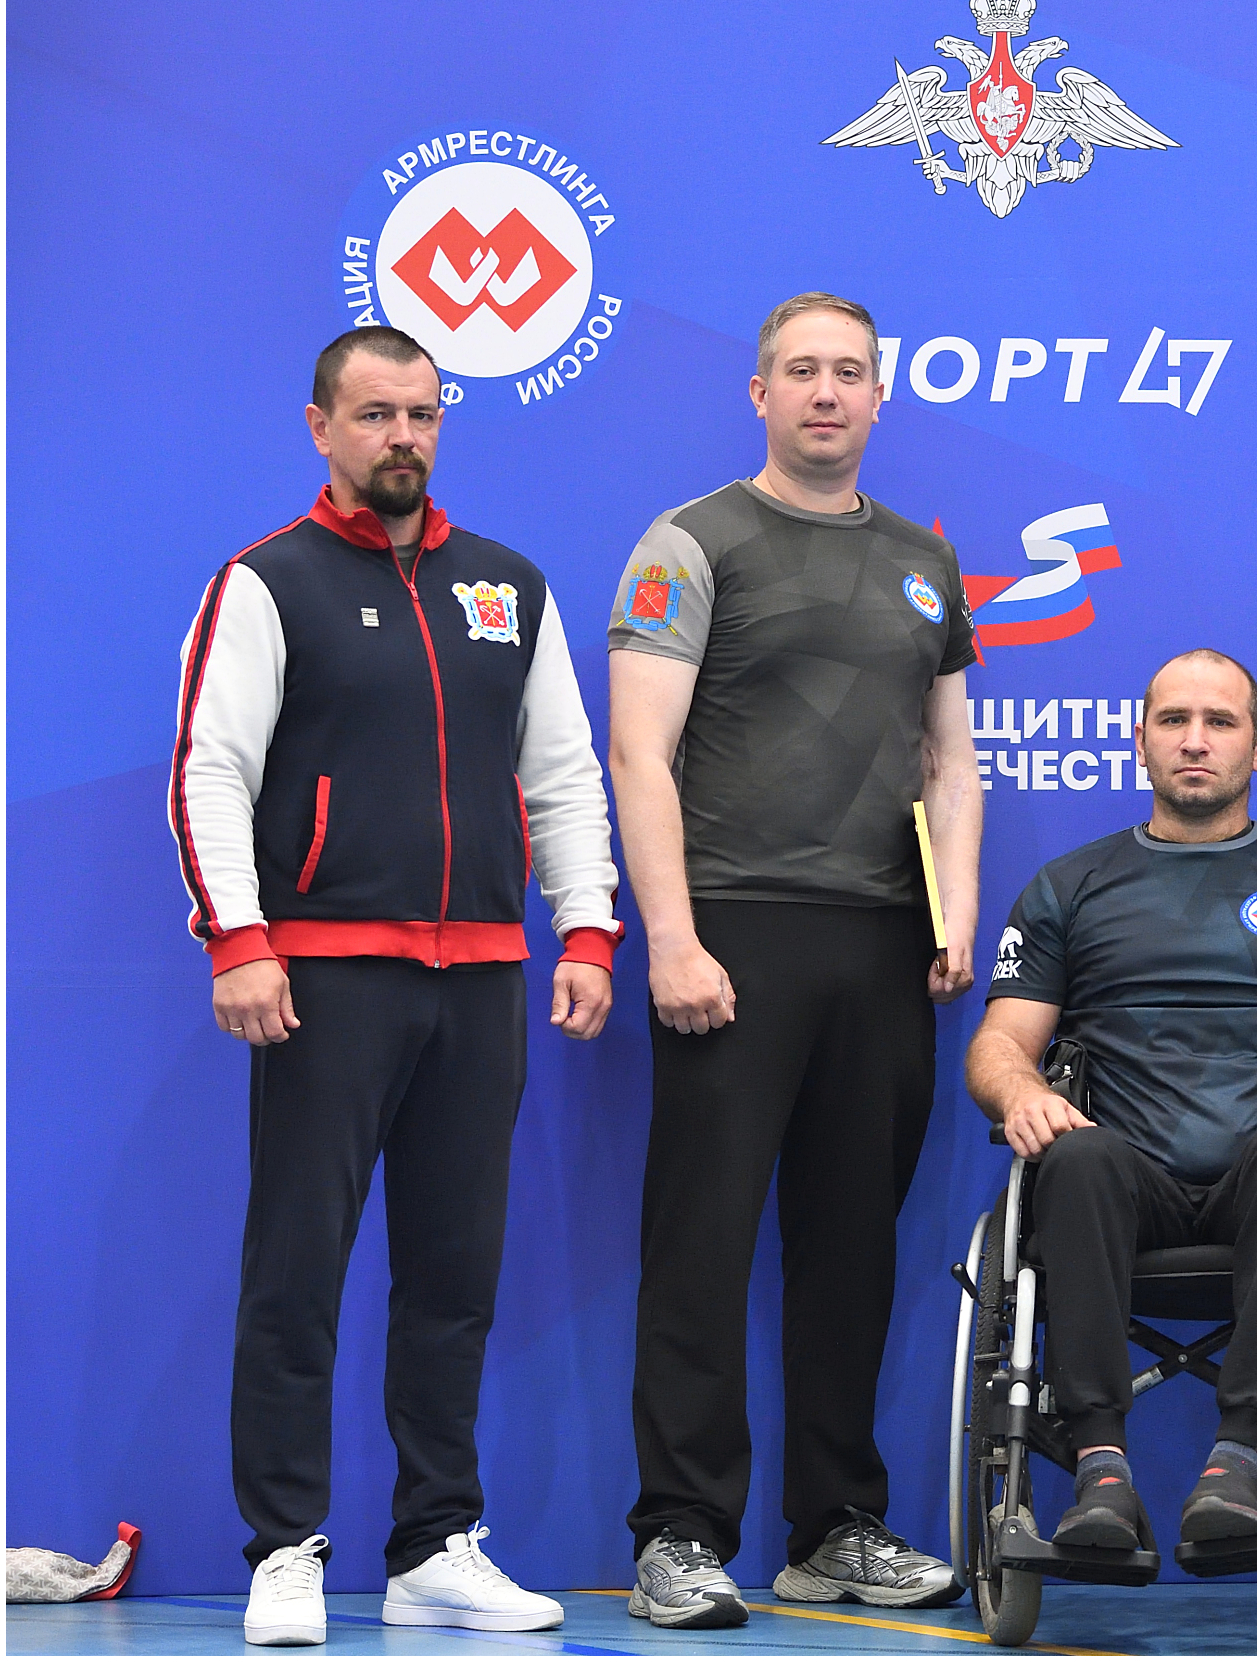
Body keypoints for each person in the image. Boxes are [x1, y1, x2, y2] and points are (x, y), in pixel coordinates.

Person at [171, 326, 621, 1645]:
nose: (402, 437)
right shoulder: (269, 581)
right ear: (321, 426)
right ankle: (285, 1547)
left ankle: (434, 1544)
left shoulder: (508, 586)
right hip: (322, 978)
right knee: (297, 1269)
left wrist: (586, 927)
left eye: (421, 414)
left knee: (452, 1275)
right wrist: (238, 937)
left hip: (480, 978)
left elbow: (562, 772)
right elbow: (210, 768)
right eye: (374, 414)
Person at [608, 292, 980, 1626]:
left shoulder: (927, 561)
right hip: (732, 934)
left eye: (850, 372)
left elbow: (950, 758)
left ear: (881, 395)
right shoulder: (693, 541)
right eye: (803, 371)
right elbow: (637, 750)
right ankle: (679, 1532)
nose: (828, 392)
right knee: (701, 1245)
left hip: (881, 943)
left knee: (851, 1248)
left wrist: (953, 911)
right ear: (760, 393)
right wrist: (670, 935)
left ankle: (833, 1527)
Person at [965, 650, 1257, 1549]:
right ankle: (1099, 1466)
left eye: (1219, 722)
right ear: (1140, 742)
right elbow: (999, 1044)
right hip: (1121, 1188)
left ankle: (1238, 1458)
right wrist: (1019, 1091)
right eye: (1173, 721)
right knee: (1074, 1154)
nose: (1195, 741)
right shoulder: (1066, 887)